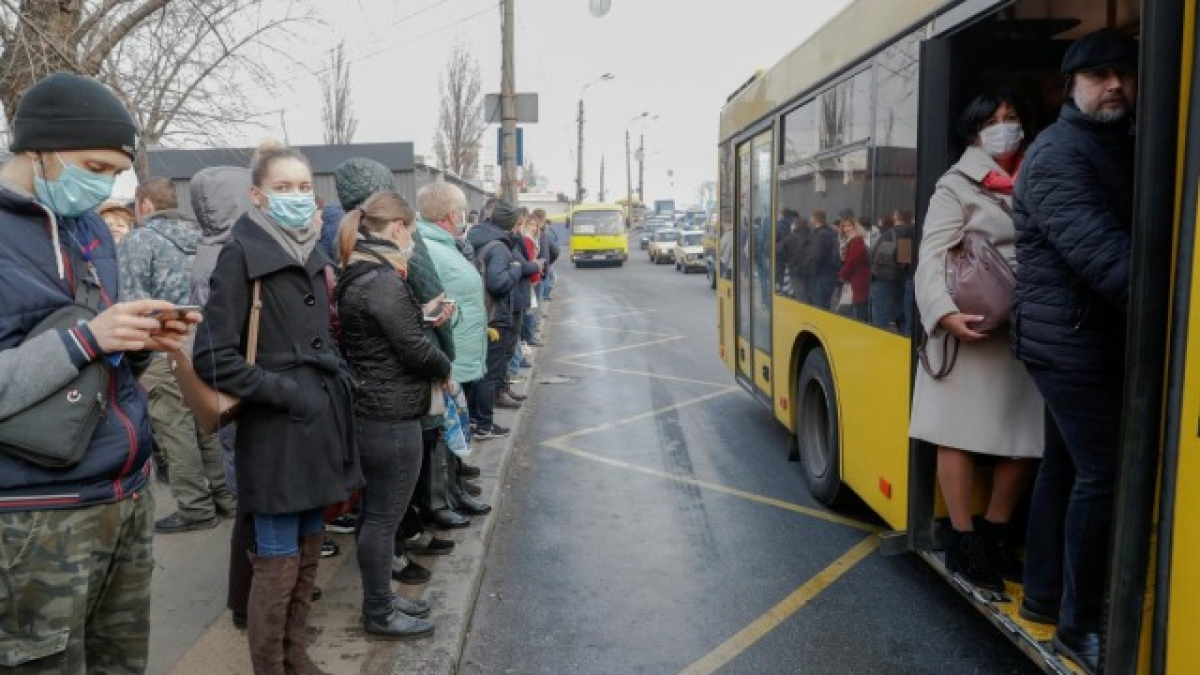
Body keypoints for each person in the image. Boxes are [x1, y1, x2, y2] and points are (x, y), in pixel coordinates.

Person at [0, 71, 198, 673]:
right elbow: (76, 344)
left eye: (117, 171)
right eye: (95, 165)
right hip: (33, 515)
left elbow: (97, 359)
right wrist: (90, 336)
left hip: (124, 494)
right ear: (37, 149)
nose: (107, 183)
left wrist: (140, 339)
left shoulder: (91, 231)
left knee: (121, 663)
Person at [195, 142, 361, 673]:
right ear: (257, 196)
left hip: (318, 424)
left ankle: (297, 657)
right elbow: (212, 357)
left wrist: (335, 372)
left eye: (302, 187)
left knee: (310, 545)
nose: (294, 196)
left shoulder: (310, 249)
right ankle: (272, 665)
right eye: (282, 187)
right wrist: (286, 390)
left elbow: (319, 336)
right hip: (275, 432)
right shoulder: (241, 253)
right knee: (276, 557)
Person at [1012, 30, 1137, 673]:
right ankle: (1077, 625)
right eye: (1099, 75)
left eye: (1123, 73)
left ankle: (1042, 594)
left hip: (1080, 334)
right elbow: (1107, 259)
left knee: (1064, 467)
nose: (1114, 83)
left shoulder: (1113, 143)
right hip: (1073, 343)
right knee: (1105, 473)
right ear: (1072, 87)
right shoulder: (1059, 154)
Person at [910, 91, 1044, 601]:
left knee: (1026, 440)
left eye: (1011, 118)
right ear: (973, 132)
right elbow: (931, 256)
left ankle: (993, 532)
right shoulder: (956, 184)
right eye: (992, 121)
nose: (1004, 127)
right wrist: (945, 314)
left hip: (1028, 327)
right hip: (972, 327)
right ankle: (964, 541)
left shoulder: (1038, 173)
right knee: (959, 435)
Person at [335, 191, 450, 639]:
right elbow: (413, 349)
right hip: (390, 414)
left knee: (375, 516)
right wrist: (444, 368)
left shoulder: (361, 272)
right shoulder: (381, 279)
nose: (413, 241)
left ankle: (380, 599)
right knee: (383, 518)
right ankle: (379, 612)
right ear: (399, 227)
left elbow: (388, 333)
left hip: (376, 409)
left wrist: (418, 316)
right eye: (413, 232)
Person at [118, 178, 237, 533]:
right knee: (206, 417)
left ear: (144, 205)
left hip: (163, 342)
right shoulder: (203, 236)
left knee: (174, 424)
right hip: (205, 337)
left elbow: (131, 302)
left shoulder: (139, 240)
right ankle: (224, 497)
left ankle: (195, 508)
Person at [187, 165, 263, 630]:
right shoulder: (231, 254)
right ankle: (248, 598)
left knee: (250, 502)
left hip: (234, 387)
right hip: (240, 389)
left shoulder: (213, 249)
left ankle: (250, 592)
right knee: (252, 501)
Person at [467, 200, 539, 439]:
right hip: (496, 317)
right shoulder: (499, 247)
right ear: (509, 224)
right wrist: (516, 269)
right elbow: (498, 283)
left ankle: (476, 421)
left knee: (480, 372)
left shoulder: (477, 237)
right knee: (491, 373)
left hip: (480, 314)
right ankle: (485, 424)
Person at [869, 214, 904, 331]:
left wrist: (873, 274)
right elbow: (905, 260)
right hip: (899, 279)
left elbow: (878, 259)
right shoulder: (906, 234)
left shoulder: (887, 235)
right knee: (899, 314)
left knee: (880, 317)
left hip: (883, 279)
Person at [836, 210, 870, 321]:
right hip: (855, 279)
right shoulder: (851, 239)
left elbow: (852, 260)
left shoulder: (856, 240)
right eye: (844, 226)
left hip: (858, 279)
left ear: (855, 226)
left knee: (858, 309)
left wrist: (842, 274)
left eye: (849, 226)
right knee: (854, 308)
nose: (846, 228)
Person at [806, 210, 840, 310]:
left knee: (819, 305)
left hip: (821, 275)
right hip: (830, 273)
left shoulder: (820, 234)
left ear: (813, 219)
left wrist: (811, 271)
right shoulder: (832, 232)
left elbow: (817, 256)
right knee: (825, 303)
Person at [893, 208, 917, 334]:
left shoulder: (907, 230)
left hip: (911, 277)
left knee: (909, 320)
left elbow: (902, 258)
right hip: (929, 280)